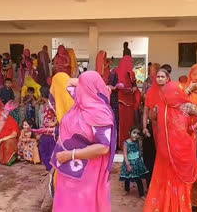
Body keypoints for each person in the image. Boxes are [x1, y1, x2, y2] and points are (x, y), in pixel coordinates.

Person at [51, 71, 116, 212]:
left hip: (85, 172)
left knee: (80, 206)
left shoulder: (99, 112)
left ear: (89, 88)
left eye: (81, 84)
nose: (77, 86)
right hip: (68, 167)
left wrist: (71, 155)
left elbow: (103, 147)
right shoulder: (81, 100)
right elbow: (67, 82)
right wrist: (84, 81)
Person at [144, 81, 197, 212]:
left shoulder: (159, 107)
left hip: (165, 150)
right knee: (180, 182)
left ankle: (165, 207)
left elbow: (153, 117)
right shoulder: (187, 107)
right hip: (182, 151)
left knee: (165, 180)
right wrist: (193, 128)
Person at [142, 68, 169, 187]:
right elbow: (146, 111)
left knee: (164, 155)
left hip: (166, 129)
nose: (160, 79)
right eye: (158, 76)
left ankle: (164, 183)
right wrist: (144, 127)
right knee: (150, 156)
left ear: (167, 78)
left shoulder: (170, 92)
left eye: (162, 77)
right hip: (151, 128)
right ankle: (151, 183)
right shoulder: (151, 92)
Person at [119, 126, 149, 200]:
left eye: (138, 134)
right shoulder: (126, 143)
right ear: (130, 133)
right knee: (127, 177)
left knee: (138, 179)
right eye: (134, 133)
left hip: (137, 163)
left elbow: (139, 151)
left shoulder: (138, 142)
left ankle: (141, 194)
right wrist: (127, 164)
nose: (136, 135)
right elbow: (125, 154)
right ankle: (126, 190)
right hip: (129, 162)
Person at [0, 98, 20, 165]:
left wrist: (2, 140)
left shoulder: (8, 118)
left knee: (8, 143)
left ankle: (5, 160)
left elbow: (14, 134)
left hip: (7, 138)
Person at [116, 54, 136, 149]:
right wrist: (118, 87)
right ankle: (119, 144)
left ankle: (129, 142)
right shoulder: (115, 72)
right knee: (120, 123)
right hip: (119, 102)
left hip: (130, 102)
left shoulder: (132, 74)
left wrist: (132, 89)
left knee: (129, 123)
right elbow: (110, 86)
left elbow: (134, 87)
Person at [35, 92, 57, 171]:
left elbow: (59, 114)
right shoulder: (48, 104)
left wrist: (54, 123)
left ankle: (51, 170)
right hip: (46, 131)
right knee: (45, 150)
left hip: (50, 132)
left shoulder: (52, 105)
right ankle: (49, 169)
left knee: (48, 151)